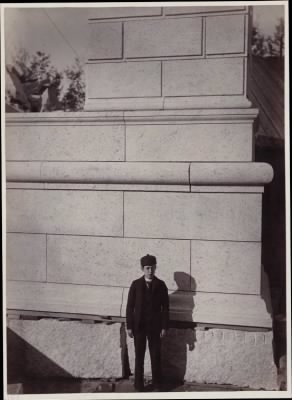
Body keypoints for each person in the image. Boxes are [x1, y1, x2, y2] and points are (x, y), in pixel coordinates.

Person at [126, 254, 169, 392]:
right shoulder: (135, 285)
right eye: (147, 268)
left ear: (156, 268)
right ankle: (139, 385)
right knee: (139, 356)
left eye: (152, 268)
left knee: (155, 355)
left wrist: (164, 327)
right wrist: (129, 326)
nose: (150, 271)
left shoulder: (161, 285)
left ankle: (157, 384)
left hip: (155, 327)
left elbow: (165, 308)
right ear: (142, 269)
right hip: (139, 327)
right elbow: (129, 307)